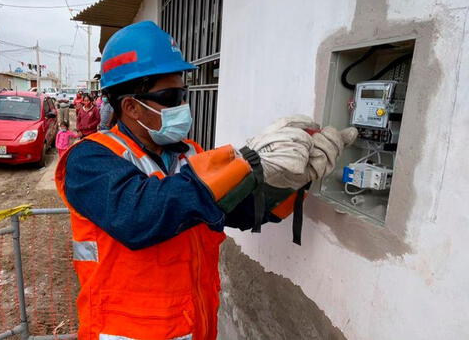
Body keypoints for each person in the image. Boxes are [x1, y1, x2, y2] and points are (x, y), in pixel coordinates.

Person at [55, 21, 354, 340]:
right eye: (171, 96)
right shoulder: (90, 160)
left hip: (194, 325)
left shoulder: (191, 155)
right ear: (131, 107)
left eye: (183, 93)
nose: (183, 104)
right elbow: (139, 216)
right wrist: (245, 161)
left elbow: (241, 211)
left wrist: (293, 177)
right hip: (125, 331)